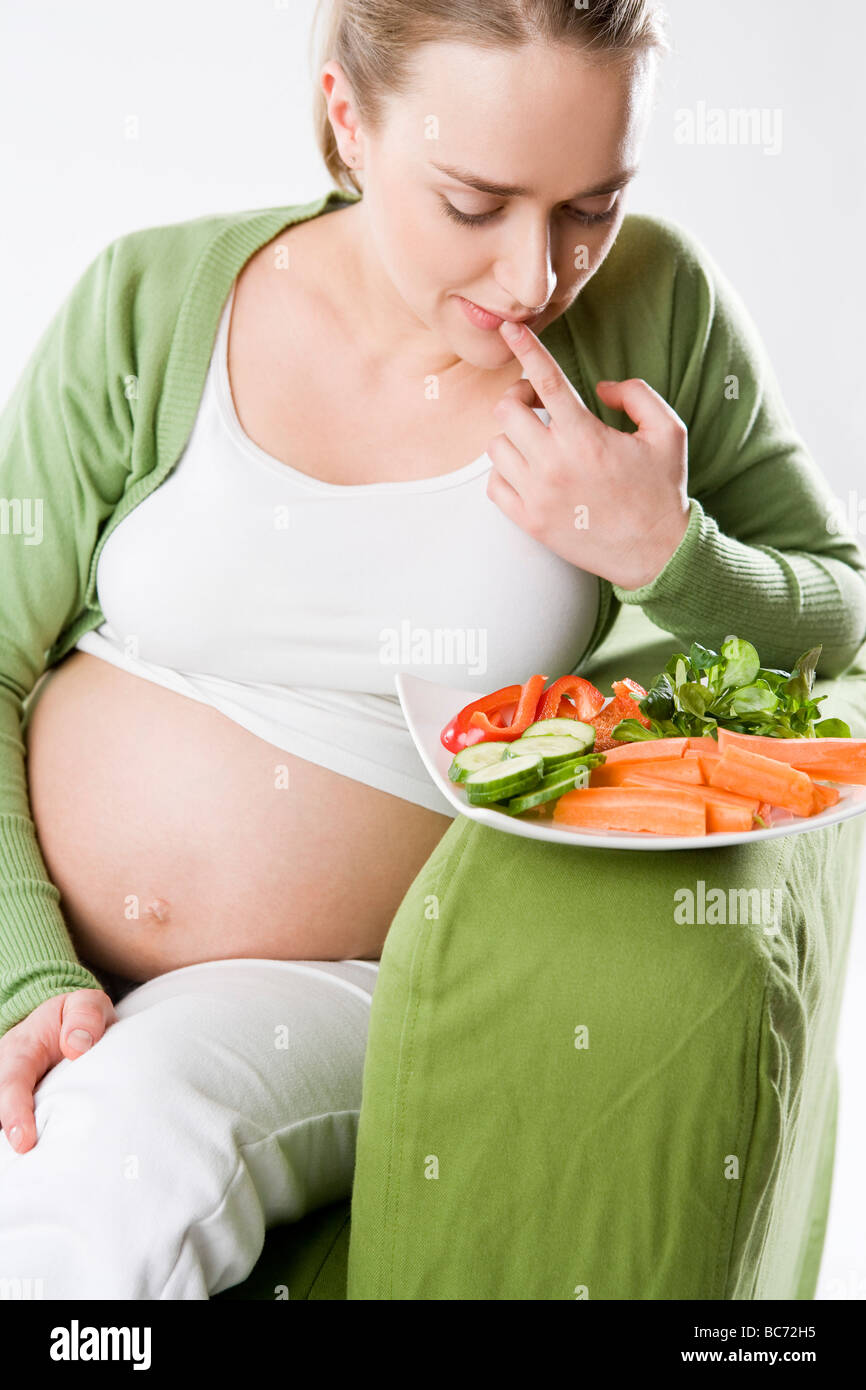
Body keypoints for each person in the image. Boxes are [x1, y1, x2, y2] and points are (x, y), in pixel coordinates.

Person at [0, 0, 863, 1300]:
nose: (536, 274)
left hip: (334, 988)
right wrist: (26, 963)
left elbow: (835, 613)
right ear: (348, 117)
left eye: (592, 203)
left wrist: (662, 551)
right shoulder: (151, 297)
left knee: (134, 1150)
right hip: (43, 939)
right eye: (473, 201)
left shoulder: (654, 306)